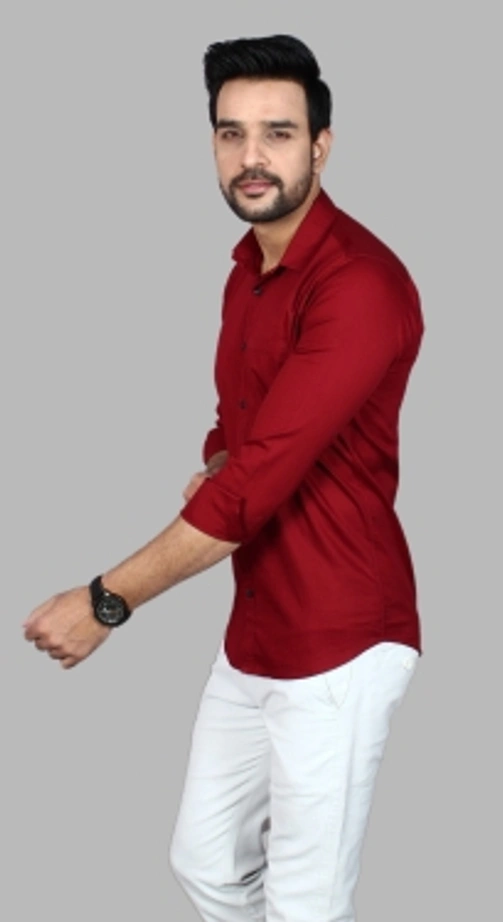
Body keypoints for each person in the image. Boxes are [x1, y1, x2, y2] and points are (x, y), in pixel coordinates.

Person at [24, 33, 424, 922]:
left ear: (321, 145)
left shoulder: (359, 284)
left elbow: (250, 490)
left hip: (342, 638)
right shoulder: (249, 270)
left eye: (278, 133)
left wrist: (104, 602)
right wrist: (221, 458)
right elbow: (239, 433)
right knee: (204, 863)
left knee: (304, 904)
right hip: (258, 629)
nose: (252, 157)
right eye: (231, 133)